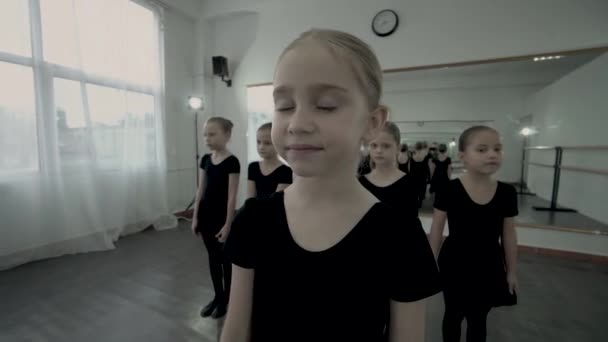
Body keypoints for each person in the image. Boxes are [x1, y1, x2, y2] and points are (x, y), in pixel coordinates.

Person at [221, 29, 441, 342]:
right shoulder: (254, 219)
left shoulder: (399, 236)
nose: (297, 124)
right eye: (284, 106)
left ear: (372, 123)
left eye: (325, 105)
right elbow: (236, 330)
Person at [429, 126, 519, 342]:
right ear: (463, 156)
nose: (492, 154)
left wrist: (512, 271)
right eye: (482, 149)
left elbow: (509, 234)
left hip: (489, 264)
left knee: (479, 318)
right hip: (455, 263)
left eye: (497, 149)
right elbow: (436, 230)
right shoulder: (449, 189)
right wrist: (430, 263)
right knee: (453, 314)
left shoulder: (507, 193)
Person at [191, 116, 240, 319]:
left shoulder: (232, 162)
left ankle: (227, 299)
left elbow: (232, 197)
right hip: (205, 216)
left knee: (225, 260)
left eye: (212, 134)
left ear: (227, 135)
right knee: (212, 259)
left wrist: (228, 224)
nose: (207, 139)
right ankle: (217, 296)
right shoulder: (205, 159)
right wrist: (194, 217)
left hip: (222, 218)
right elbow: (200, 190)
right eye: (205, 135)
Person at [359, 121, 418, 219]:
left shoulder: (409, 183)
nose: (379, 150)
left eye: (386, 146)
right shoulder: (361, 183)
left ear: (398, 148)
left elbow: (411, 223)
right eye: (374, 145)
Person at [247, 122, 293, 199]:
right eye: (258, 142)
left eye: (267, 143)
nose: (261, 147)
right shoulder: (253, 167)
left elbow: (274, 202)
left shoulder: (286, 171)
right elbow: (249, 200)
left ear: (278, 144)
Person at [410, 142, 430, 208]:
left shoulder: (412, 155)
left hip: (414, 175)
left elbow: (410, 167)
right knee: (421, 189)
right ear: (422, 147)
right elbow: (427, 166)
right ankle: (420, 202)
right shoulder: (425, 155)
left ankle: (414, 202)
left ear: (415, 147)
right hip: (423, 175)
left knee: (414, 189)